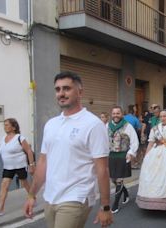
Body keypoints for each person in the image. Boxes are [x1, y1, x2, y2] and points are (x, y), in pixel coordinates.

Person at [23, 72, 112, 228]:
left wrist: (105, 206)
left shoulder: (93, 124)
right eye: (57, 89)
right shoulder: (51, 124)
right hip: (51, 197)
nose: (61, 94)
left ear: (80, 91)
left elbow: (102, 168)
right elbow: (43, 162)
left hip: (76, 197)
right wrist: (32, 194)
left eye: (66, 88)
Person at [0, 118, 35, 217]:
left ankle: (32, 197)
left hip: (20, 166)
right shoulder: (3, 138)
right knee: (4, 185)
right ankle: (0, 209)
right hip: (8, 167)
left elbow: (29, 151)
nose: (5, 127)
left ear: (13, 127)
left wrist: (31, 165)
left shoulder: (20, 138)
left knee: (24, 183)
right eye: (4, 125)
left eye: (7, 125)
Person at [108, 106, 139, 213]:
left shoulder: (128, 126)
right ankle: (125, 192)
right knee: (113, 179)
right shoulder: (107, 126)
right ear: (111, 114)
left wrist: (130, 153)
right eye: (114, 113)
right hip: (111, 156)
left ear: (122, 114)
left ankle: (115, 204)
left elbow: (134, 142)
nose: (116, 115)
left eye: (118, 113)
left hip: (123, 156)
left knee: (119, 179)